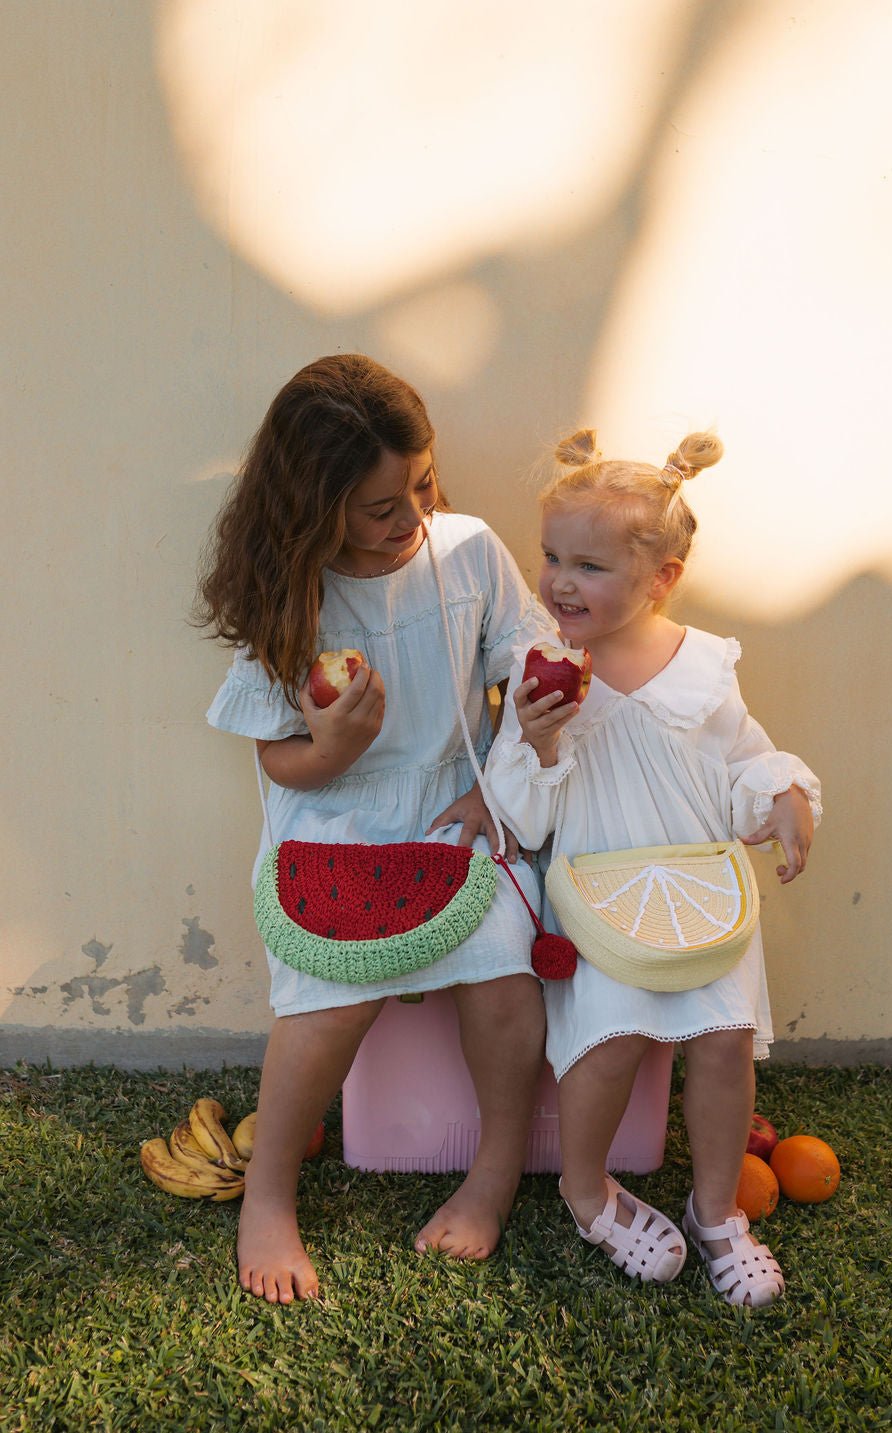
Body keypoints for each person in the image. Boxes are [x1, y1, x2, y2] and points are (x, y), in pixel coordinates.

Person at [196, 354, 557, 1304]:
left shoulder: (468, 551)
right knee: (329, 998)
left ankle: (493, 1176)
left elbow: (525, 671)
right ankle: (268, 1193)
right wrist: (331, 749)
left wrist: (509, 770)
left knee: (505, 979)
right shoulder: (294, 590)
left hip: (459, 807)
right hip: (337, 815)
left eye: (424, 484)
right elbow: (276, 759)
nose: (414, 517)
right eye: (381, 507)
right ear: (314, 510)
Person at [484, 428, 821, 1306]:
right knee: (608, 1044)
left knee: (725, 1042)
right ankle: (586, 1189)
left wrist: (782, 793)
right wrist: (539, 740)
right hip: (598, 894)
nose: (559, 581)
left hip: (702, 889)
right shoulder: (540, 671)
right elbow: (521, 814)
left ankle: (718, 1212)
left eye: (589, 566)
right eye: (552, 557)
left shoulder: (704, 665)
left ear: (661, 577)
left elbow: (743, 758)